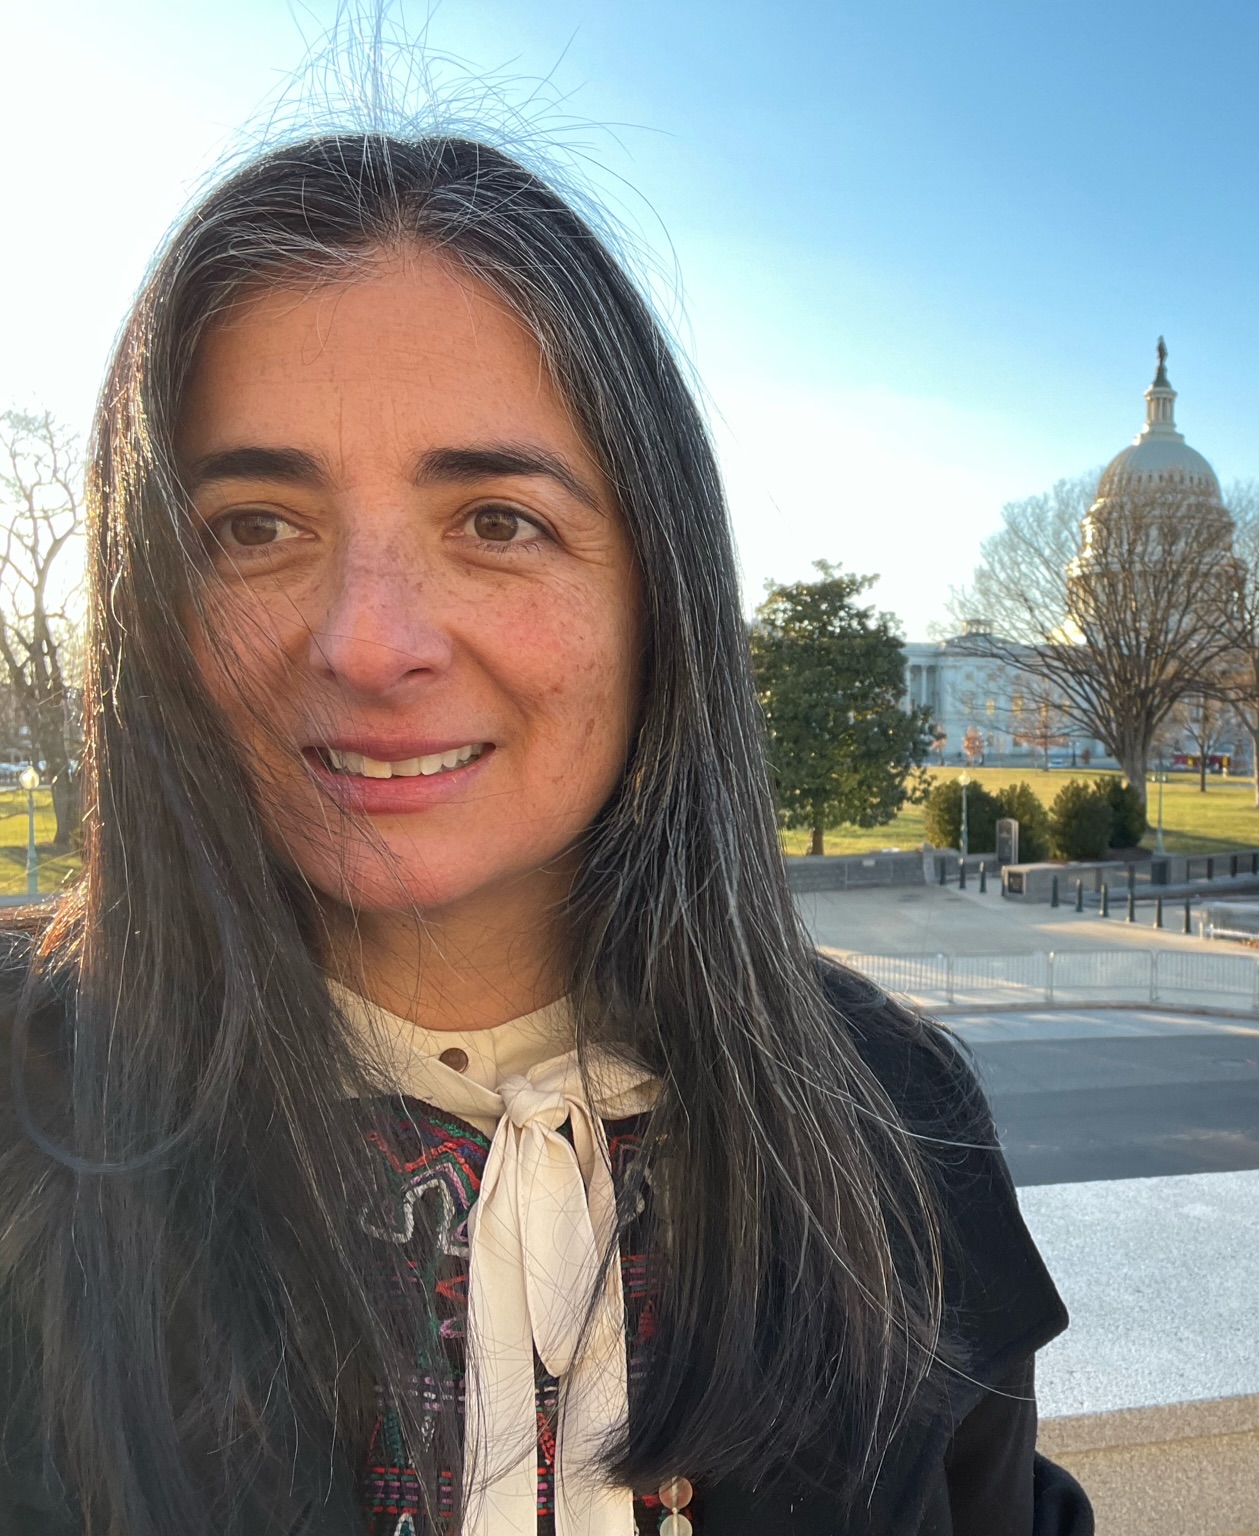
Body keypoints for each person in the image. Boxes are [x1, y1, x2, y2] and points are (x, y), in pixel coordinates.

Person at [0, 134, 1090, 1536]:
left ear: (658, 594)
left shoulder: (890, 1123)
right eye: (256, 525)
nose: (370, 642)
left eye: (497, 521)